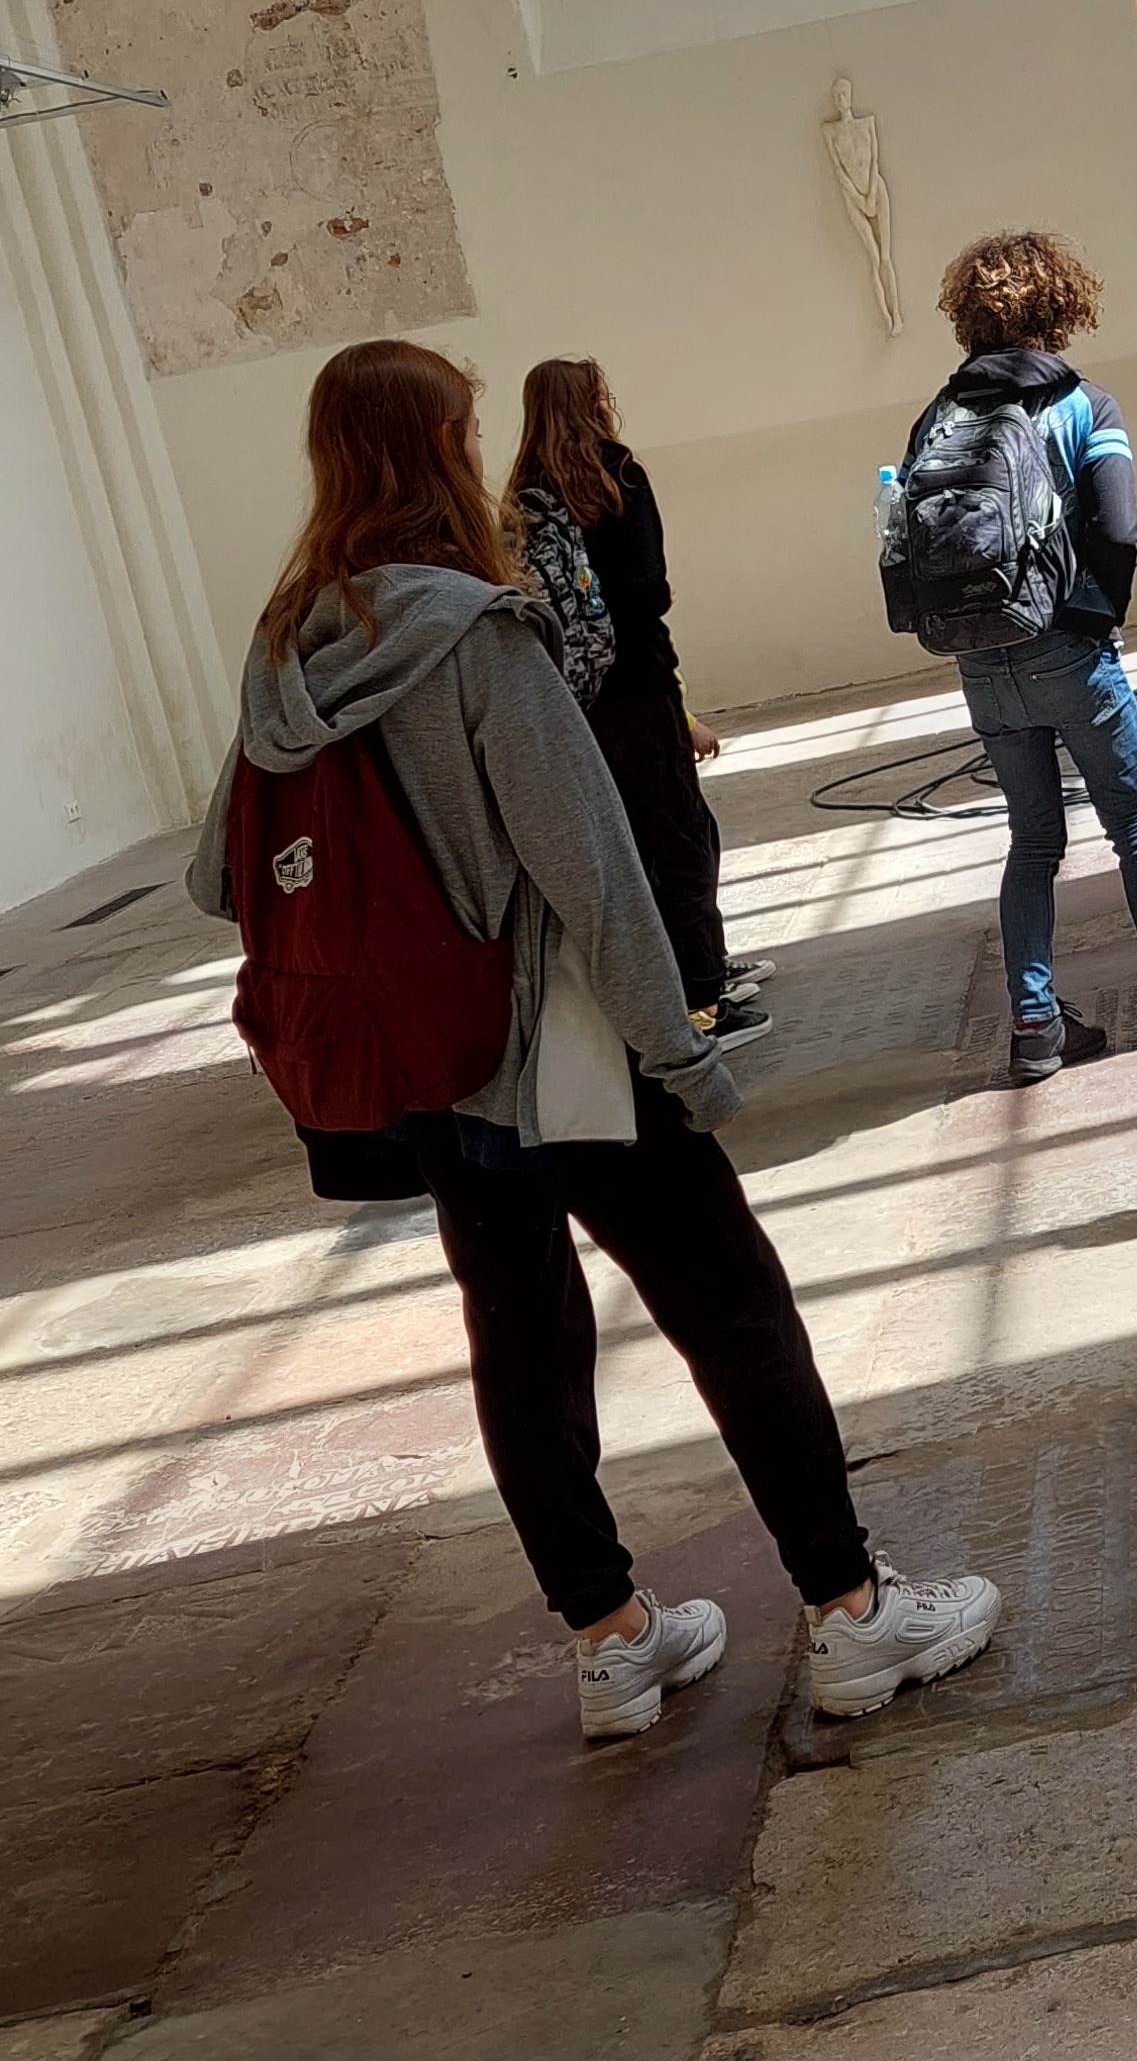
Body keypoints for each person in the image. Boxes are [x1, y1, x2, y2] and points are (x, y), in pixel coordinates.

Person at [187, 338, 998, 1741]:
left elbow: (219, 876)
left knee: (523, 1347)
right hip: (571, 1061)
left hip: (432, 1076)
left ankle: (612, 1642)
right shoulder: (476, 636)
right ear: (445, 451)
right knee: (736, 1313)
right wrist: (681, 1053)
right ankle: (855, 1613)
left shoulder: (286, 652)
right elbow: (598, 876)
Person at [909, 230, 1137, 1085]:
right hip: (1070, 653)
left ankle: (1035, 1028)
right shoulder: (1087, 407)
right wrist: (1096, 617)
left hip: (982, 663)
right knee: (1135, 823)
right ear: (1061, 306)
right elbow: (1119, 528)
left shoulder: (936, 417)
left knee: (1033, 840)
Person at [507, 358, 766, 1048]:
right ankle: (703, 996)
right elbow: (648, 588)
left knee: (630, 846)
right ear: (593, 402)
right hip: (640, 682)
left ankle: (679, 978)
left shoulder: (524, 490)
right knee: (681, 839)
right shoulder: (615, 473)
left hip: (576, 697)